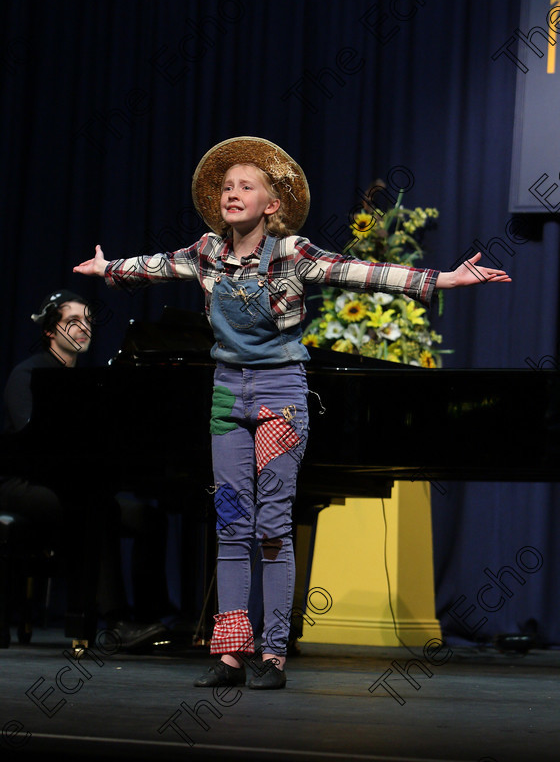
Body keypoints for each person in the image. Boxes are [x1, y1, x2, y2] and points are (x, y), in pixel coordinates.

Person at [74, 136, 511, 688]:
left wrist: (442, 279)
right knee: (232, 524)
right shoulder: (207, 251)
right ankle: (232, 652)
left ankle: (273, 654)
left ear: (271, 204)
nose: (233, 194)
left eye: (245, 187)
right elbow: (158, 265)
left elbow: (358, 272)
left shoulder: (293, 254)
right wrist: (109, 267)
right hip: (228, 396)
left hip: (280, 394)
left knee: (273, 527)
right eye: (227, 187)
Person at [0, 289, 171, 650]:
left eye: (87, 321)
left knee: (147, 517)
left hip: (70, 483)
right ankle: (115, 621)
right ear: (50, 330)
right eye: (72, 322)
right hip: (21, 483)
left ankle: (149, 616)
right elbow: (31, 446)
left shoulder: (91, 382)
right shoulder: (28, 374)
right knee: (96, 508)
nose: (83, 328)